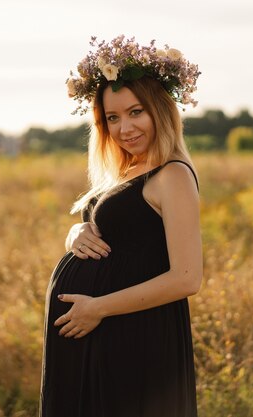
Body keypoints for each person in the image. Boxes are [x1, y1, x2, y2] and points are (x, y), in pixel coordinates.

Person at [40, 35, 203, 417]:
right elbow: (111, 230)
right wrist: (75, 234)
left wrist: (98, 308)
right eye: (112, 118)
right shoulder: (128, 170)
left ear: (160, 111)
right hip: (100, 335)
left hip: (130, 336)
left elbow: (186, 277)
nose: (124, 128)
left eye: (136, 112)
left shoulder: (172, 175)